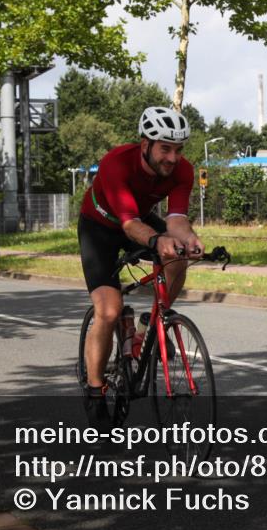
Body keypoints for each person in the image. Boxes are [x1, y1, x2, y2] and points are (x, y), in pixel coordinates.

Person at [78, 106, 202, 427]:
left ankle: (151, 325)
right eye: (165, 148)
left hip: (139, 219)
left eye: (178, 150)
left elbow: (177, 221)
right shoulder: (116, 163)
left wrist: (189, 239)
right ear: (145, 144)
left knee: (177, 255)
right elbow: (129, 225)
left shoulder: (183, 171)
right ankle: (95, 390)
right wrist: (157, 241)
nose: (173, 158)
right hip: (100, 227)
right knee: (109, 311)